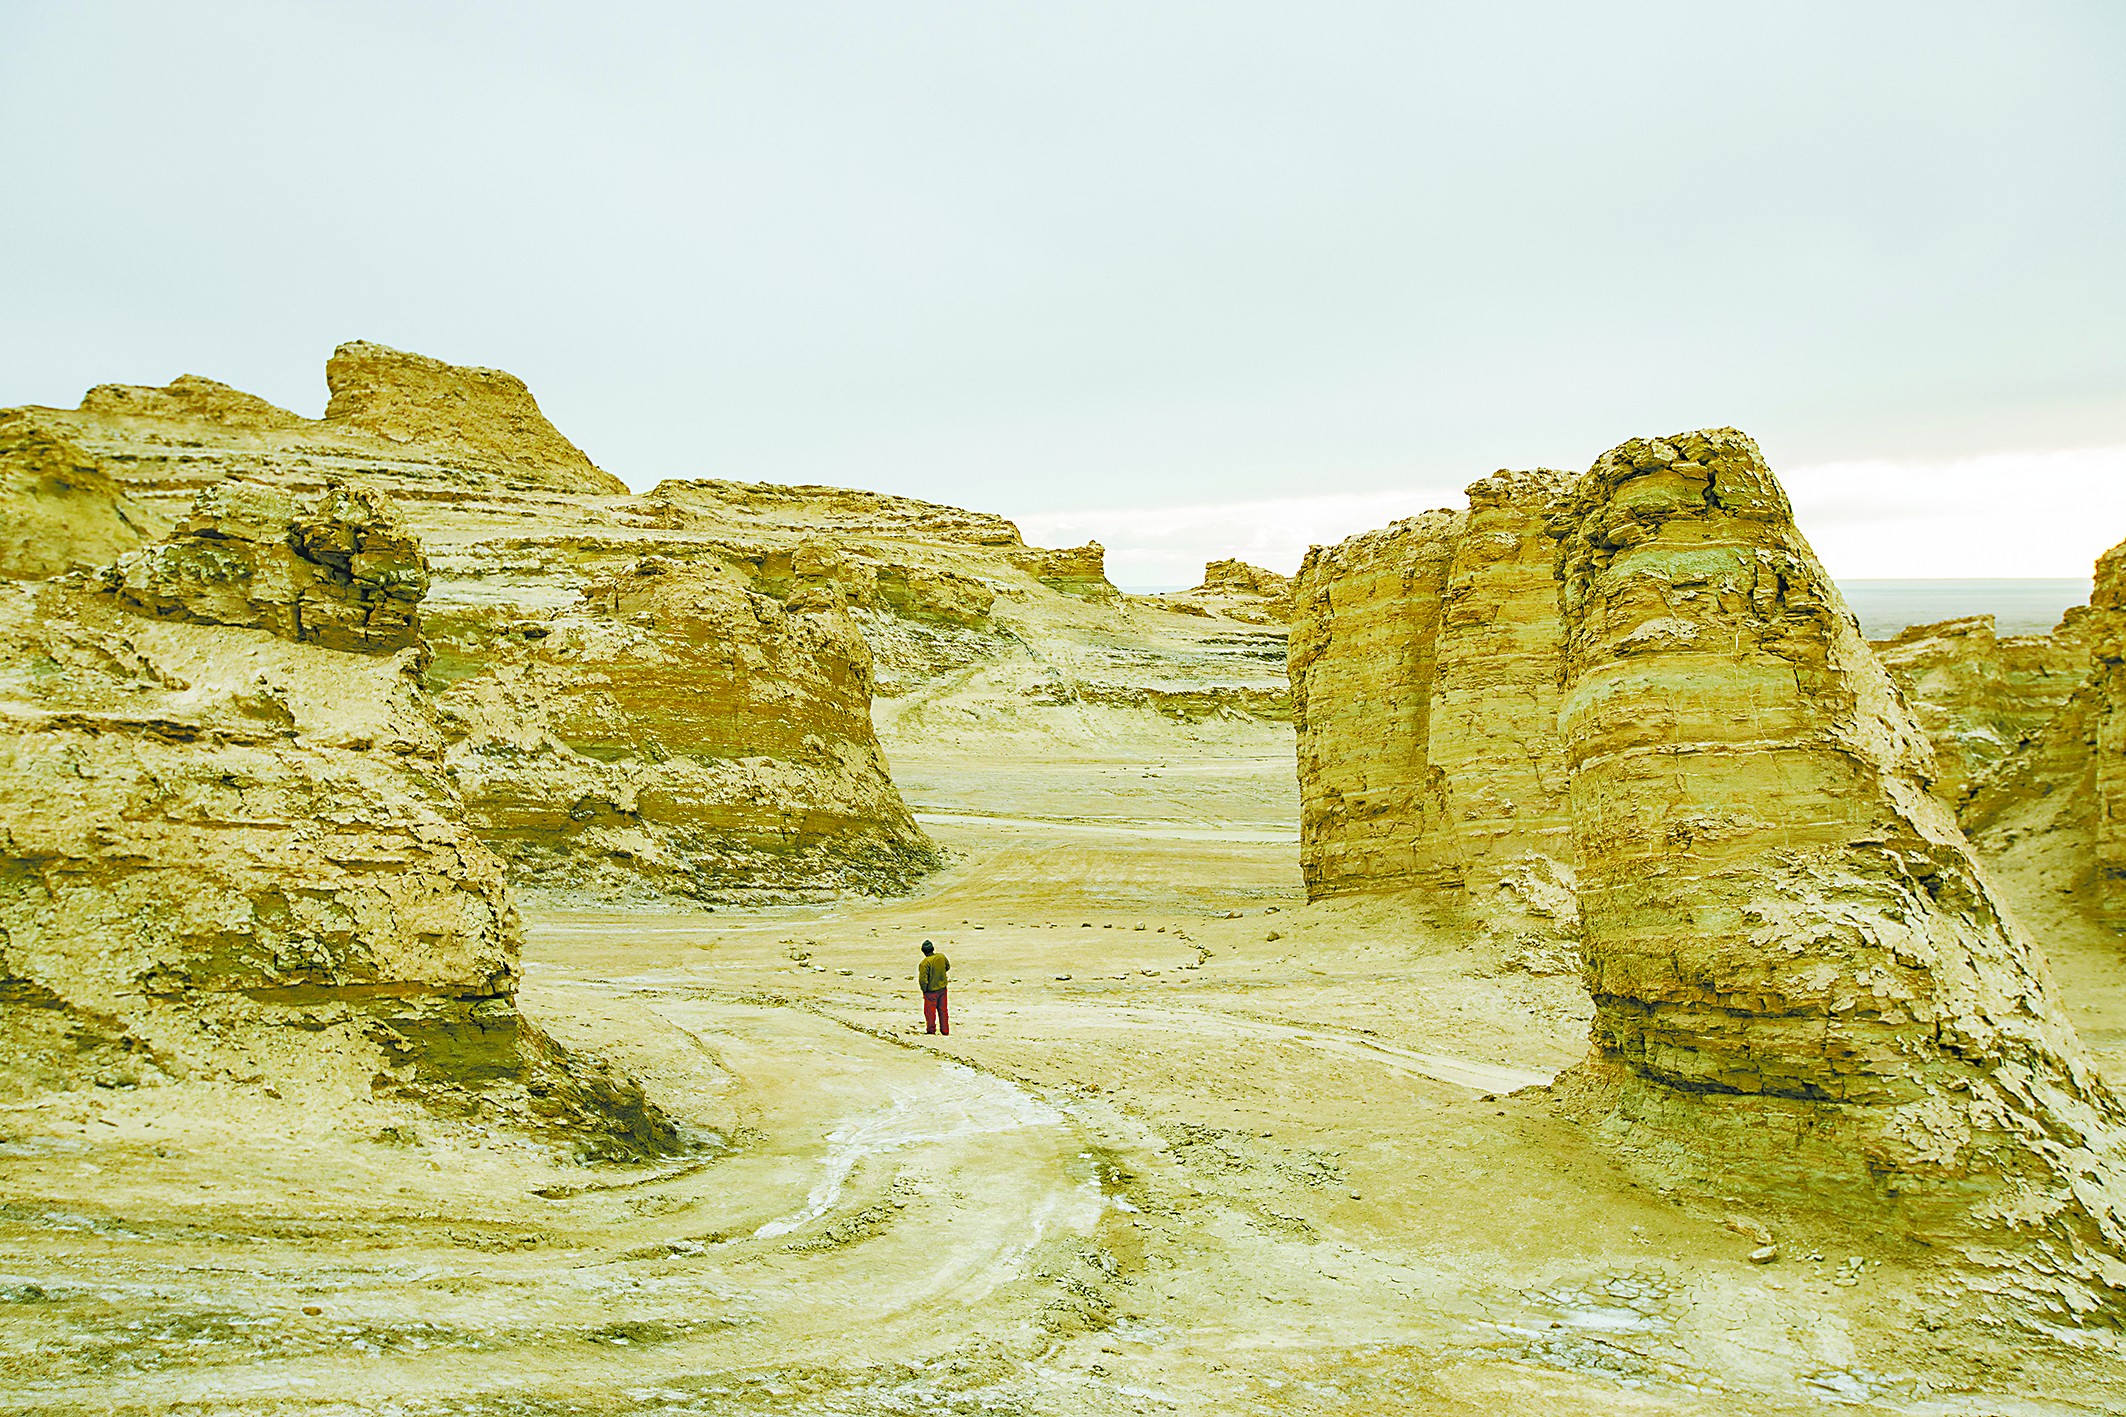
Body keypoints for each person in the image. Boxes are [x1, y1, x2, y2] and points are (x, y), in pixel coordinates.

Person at [917, 939, 950, 1035]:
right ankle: (945, 1030)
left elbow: (923, 979)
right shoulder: (941, 957)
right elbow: (947, 967)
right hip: (942, 988)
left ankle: (931, 1030)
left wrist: (924, 990)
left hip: (931, 991)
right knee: (943, 1010)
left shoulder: (925, 963)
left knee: (930, 1012)